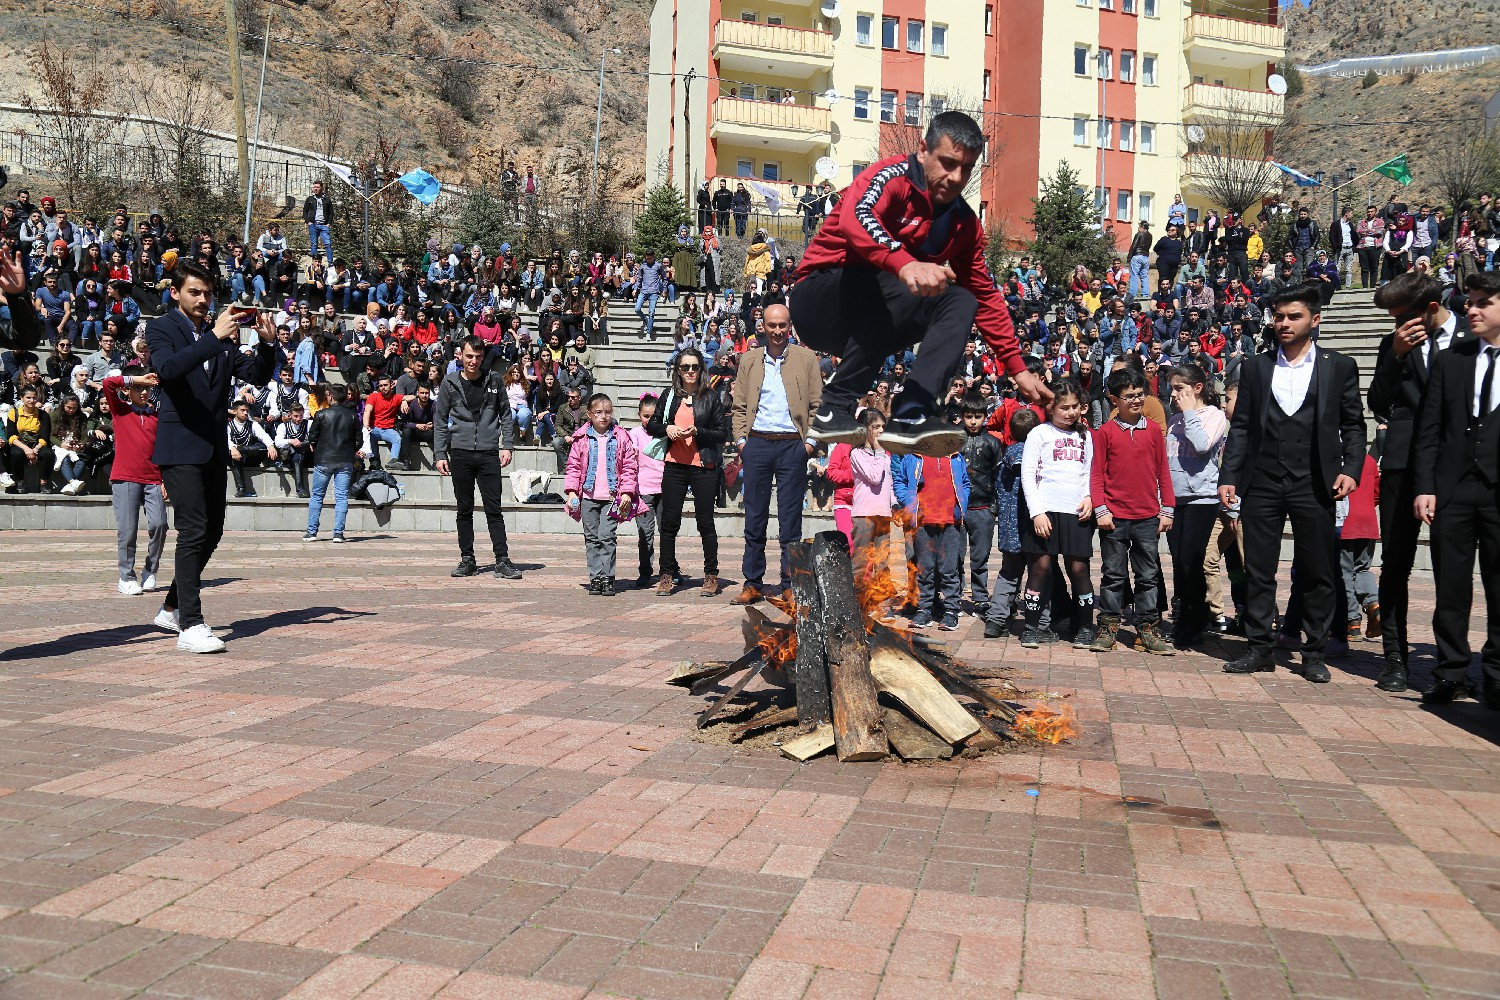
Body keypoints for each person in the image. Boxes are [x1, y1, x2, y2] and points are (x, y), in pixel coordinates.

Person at [792, 112, 1048, 458]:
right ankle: (833, 405)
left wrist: (1016, 368)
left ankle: (913, 410)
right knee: (910, 279)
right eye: (947, 163)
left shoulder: (963, 224)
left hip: (871, 322)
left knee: (961, 300)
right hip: (820, 299)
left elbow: (986, 295)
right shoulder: (890, 177)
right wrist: (905, 263)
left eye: (967, 169)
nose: (956, 177)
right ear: (924, 149)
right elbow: (857, 218)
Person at [1219, 285, 1365, 682]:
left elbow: (1354, 424)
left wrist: (1351, 468)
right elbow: (1242, 426)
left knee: (1318, 570)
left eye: (1293, 316)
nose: (1283, 323)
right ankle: (1260, 648)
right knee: (1259, 570)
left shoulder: (1339, 366)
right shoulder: (1256, 367)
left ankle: (1314, 652)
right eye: (1279, 316)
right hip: (1262, 480)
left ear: (1314, 320)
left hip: (1315, 481)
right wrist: (1229, 475)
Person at [146, 263, 278, 653]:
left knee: (213, 530)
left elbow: (253, 374)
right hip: (179, 444)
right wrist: (215, 337)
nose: (203, 300)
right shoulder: (161, 328)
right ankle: (191, 624)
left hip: (212, 446)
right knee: (193, 530)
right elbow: (168, 369)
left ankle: (171, 606)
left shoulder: (220, 336)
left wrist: (269, 345)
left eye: (207, 293)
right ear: (176, 293)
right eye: (195, 293)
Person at [1368, 271, 1470, 690]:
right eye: (1392, 320)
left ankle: (1453, 666)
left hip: (1461, 464)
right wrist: (1394, 354)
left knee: (1454, 567)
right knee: (1395, 563)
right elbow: (1377, 402)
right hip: (1404, 464)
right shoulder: (1395, 344)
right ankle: (1395, 657)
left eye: (1402, 318)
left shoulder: (1472, 337)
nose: (1398, 326)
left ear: (1431, 308)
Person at [1412, 272, 1500, 707]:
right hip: (1454, 488)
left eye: (1484, 302)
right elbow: (1430, 429)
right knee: (1451, 586)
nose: (1472, 309)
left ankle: (1497, 675)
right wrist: (1425, 485)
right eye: (1470, 301)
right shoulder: (1452, 359)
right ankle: (1451, 673)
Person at [728, 303, 821, 605]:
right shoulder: (750, 360)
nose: (778, 331)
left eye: (783, 325)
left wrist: (809, 445)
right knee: (754, 517)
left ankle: (790, 583)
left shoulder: (807, 359)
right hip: (757, 445)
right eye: (772, 326)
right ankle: (753, 582)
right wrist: (742, 442)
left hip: (792, 445)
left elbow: (818, 407)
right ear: (762, 326)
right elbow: (739, 406)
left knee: (790, 520)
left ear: (790, 326)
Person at [1089, 365, 1176, 654]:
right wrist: (1101, 509)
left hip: (1148, 517)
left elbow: (1163, 471)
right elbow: (1097, 474)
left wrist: (1168, 508)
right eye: (1129, 396)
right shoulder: (1105, 433)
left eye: (1140, 395)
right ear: (1114, 399)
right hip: (1114, 518)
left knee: (1148, 575)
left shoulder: (1152, 431)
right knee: (1113, 575)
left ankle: (1148, 629)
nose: (1136, 401)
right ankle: (1108, 627)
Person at [434, 336, 523, 580]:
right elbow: (440, 419)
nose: (473, 361)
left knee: (494, 509)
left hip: (487, 452)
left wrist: (508, 446)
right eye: (469, 356)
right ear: (460, 356)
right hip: (460, 452)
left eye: (478, 357)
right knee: (464, 509)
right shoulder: (449, 383)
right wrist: (440, 453)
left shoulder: (494, 380)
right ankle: (467, 559)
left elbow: (506, 414)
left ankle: (502, 560)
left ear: (484, 358)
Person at [1017, 378, 1095, 649]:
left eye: (1075, 406)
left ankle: (1086, 627)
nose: (1071, 412)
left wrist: (1088, 497)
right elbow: (1027, 475)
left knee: (1078, 569)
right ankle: (1031, 626)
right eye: (1064, 407)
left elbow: (1088, 472)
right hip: (1044, 511)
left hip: (1076, 512)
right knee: (1041, 568)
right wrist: (1036, 512)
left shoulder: (1085, 435)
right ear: (1051, 409)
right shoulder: (1039, 434)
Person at [646, 347, 728, 597]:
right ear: (678, 371)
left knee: (706, 522)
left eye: (695, 367)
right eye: (685, 367)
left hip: (704, 466)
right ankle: (666, 575)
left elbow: (722, 433)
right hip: (675, 465)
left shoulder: (712, 397)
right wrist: (667, 429)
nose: (690, 371)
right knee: (669, 523)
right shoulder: (669, 395)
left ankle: (711, 575)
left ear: (701, 370)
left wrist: (697, 432)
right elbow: (652, 424)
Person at [1163, 362, 1228, 647]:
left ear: (1197, 388)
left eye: (1180, 389)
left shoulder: (1214, 416)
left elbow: (1201, 445)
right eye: (1172, 388)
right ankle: (1184, 615)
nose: (1174, 394)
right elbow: (1168, 458)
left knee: (1191, 559)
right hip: (1174, 499)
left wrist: (1190, 412)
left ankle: (1197, 617)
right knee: (1178, 560)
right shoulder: (1175, 420)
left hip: (1201, 498)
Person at [564, 392, 640, 598]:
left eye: (607, 412)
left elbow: (629, 467)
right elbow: (573, 467)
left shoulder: (621, 436)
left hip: (612, 498)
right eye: (598, 412)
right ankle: (595, 577)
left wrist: (626, 493)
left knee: (607, 536)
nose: (603, 416)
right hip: (588, 497)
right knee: (591, 538)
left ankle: (608, 577)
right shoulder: (581, 438)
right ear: (589, 414)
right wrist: (571, 492)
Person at [101, 365, 166, 594]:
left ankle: (150, 570)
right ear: (128, 390)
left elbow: (163, 450)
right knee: (127, 531)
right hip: (124, 477)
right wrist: (136, 378)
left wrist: (165, 480)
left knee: (160, 525)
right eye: (138, 388)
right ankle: (126, 577)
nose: (143, 392)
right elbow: (108, 384)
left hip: (153, 478)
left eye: (147, 388)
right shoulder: (120, 410)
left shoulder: (157, 417)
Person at [894, 440, 970, 631]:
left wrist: (961, 506)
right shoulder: (913, 457)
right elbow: (900, 481)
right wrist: (909, 502)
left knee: (949, 570)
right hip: (923, 523)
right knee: (925, 569)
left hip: (950, 523)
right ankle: (925, 609)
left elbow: (966, 483)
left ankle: (952, 610)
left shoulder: (954, 457)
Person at [984, 407, 1040, 639]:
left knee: (1008, 574)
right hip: (1033, 528)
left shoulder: (1003, 459)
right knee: (1038, 575)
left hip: (1008, 529)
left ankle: (995, 620)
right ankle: (1041, 621)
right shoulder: (1035, 458)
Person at [958, 392, 1002, 615]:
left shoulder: (992, 443)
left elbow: (998, 477)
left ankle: (980, 597)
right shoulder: (954, 440)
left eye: (978, 416)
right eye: (968, 416)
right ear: (961, 417)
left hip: (982, 507)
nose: (973, 421)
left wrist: (993, 507)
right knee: (955, 555)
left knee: (980, 555)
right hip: (956, 508)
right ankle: (954, 596)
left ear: (985, 416)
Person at [849, 408, 896, 608]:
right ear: (864, 430)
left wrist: (894, 505)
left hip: (883, 513)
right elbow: (874, 477)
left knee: (883, 559)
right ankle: (856, 598)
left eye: (882, 427)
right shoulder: (857, 453)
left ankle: (881, 598)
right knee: (860, 560)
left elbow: (889, 482)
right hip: (864, 514)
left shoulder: (886, 455)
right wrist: (878, 451)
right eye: (875, 427)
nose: (880, 431)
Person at [304, 382, 360, 542]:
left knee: (317, 496)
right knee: (341, 496)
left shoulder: (322, 414)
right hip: (345, 459)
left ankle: (312, 532)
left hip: (323, 459)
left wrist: (315, 445)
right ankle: (338, 533)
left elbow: (312, 437)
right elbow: (359, 440)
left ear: (331, 396)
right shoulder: (352, 415)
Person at [1338, 450, 1381, 645]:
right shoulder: (1370, 460)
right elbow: (1377, 491)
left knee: (1344, 572)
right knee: (1363, 569)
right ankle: (1374, 604)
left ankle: (1352, 622)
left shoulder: (1338, 458)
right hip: (1368, 521)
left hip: (1346, 521)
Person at [629, 394, 665, 589]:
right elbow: (630, 456)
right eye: (645, 416)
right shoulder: (634, 434)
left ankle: (669, 569)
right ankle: (645, 571)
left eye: (653, 416)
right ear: (639, 415)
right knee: (645, 533)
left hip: (665, 488)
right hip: (643, 490)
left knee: (667, 532)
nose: (649, 420)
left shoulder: (665, 432)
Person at [2, 385, 55, 493]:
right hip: (20, 443)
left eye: (34, 398)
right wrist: (27, 449)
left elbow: (45, 436)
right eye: (28, 398)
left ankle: (43, 484)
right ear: (22, 398)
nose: (32, 400)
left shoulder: (43, 414)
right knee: (16, 453)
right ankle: (20, 483)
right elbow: (11, 436)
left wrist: (35, 450)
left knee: (48, 454)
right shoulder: (14, 413)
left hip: (37, 444)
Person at [361, 375, 405, 470]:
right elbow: (367, 410)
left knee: (397, 438)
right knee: (369, 435)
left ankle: (393, 461)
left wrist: (404, 400)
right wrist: (366, 424)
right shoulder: (374, 396)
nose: (383, 388)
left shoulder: (396, 397)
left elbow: (412, 396)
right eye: (381, 386)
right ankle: (375, 461)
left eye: (385, 385)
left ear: (391, 385)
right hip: (374, 428)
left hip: (388, 429)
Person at [303, 181, 333, 263]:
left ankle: (330, 263)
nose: (315, 189)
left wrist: (328, 224)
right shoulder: (310, 199)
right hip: (313, 225)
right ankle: (314, 262)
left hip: (324, 225)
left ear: (321, 188)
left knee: (327, 244)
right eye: (314, 187)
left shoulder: (327, 200)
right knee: (314, 245)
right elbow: (305, 211)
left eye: (317, 187)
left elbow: (331, 212)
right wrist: (308, 222)